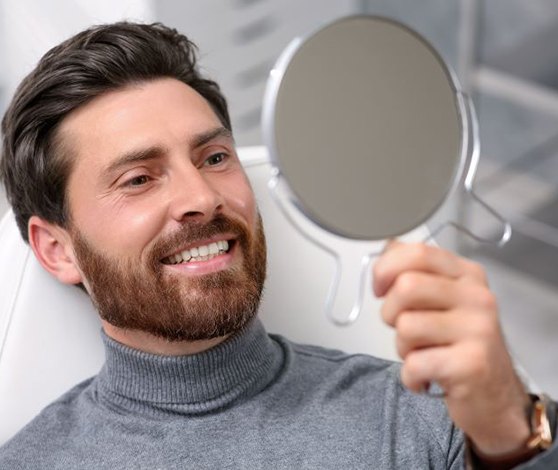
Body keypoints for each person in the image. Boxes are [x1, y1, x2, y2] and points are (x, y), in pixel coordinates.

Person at [0, 21, 555, 469]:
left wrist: (511, 431)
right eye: (139, 178)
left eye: (214, 158)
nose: (202, 197)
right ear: (57, 250)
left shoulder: (418, 416)